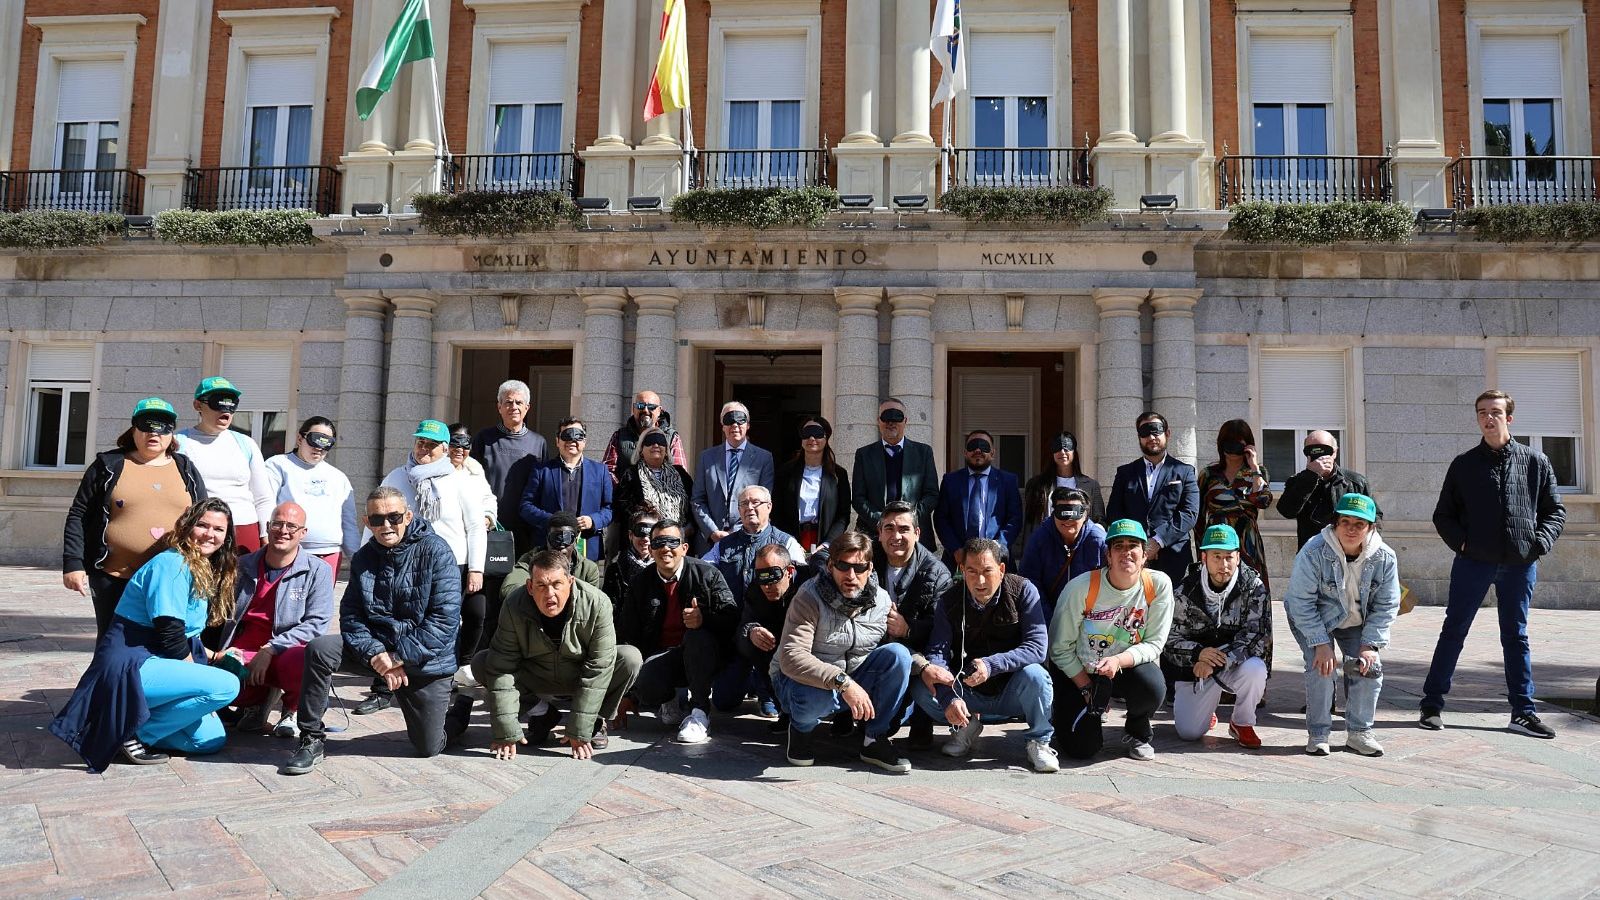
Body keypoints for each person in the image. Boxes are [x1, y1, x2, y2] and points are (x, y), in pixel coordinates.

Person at [282, 487, 462, 775]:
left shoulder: (436, 551)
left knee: (429, 747)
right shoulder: (365, 557)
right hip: (379, 653)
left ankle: (459, 713)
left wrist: (399, 656)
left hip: (426, 661)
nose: (386, 525)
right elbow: (351, 615)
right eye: (378, 519)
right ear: (367, 522)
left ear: (408, 516)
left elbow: (444, 621)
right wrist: (377, 653)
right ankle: (311, 737)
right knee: (319, 649)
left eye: (394, 517)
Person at [51, 499, 240, 771]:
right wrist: (199, 682)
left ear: (227, 536)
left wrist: (215, 656)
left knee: (209, 740)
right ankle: (133, 735)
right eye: (202, 525)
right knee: (226, 686)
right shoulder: (172, 563)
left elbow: (187, 635)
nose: (210, 534)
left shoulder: (201, 567)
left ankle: (118, 728)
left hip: (157, 661)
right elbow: (171, 634)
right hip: (131, 666)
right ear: (187, 526)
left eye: (219, 529)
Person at [1421, 390, 1567, 739]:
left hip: (1520, 563)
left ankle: (1523, 712)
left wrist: (1539, 542)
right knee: (1454, 630)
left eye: (1496, 412)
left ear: (1509, 418)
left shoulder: (1536, 461)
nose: (1489, 418)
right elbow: (1443, 515)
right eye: (1482, 412)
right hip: (1473, 562)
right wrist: (1463, 543)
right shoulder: (1464, 464)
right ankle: (1431, 705)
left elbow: (1555, 511)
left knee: (1515, 636)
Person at [470, 550, 642, 760]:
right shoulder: (514, 604)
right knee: (483, 662)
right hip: (536, 675)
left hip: (579, 674)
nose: (549, 593)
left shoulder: (597, 603)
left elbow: (598, 667)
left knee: (629, 658)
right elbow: (502, 666)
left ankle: (595, 720)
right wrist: (505, 730)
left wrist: (580, 730)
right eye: (541, 585)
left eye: (556, 584)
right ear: (530, 587)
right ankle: (541, 713)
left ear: (570, 582)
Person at [362, 420, 485, 715]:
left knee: (443, 625)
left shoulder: (461, 480)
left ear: (445, 449)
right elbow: (376, 514)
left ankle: (437, 683)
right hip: (400, 563)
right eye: (420, 442)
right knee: (390, 622)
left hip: (448, 564)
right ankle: (381, 689)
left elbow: (475, 527)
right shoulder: (396, 476)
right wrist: (365, 554)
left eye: (431, 445)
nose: (423, 449)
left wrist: (476, 568)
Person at [63, 397, 207, 638]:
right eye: (146, 425)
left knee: (168, 642)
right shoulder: (107, 466)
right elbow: (78, 514)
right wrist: (73, 564)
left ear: (172, 433)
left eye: (163, 426)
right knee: (113, 645)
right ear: (133, 429)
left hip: (171, 579)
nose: (154, 432)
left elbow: (203, 517)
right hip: (114, 577)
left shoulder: (186, 468)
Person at [911, 539, 1058, 773]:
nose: (979, 581)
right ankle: (964, 726)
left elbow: (1037, 647)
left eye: (987, 571)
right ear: (962, 570)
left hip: (1013, 690)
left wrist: (991, 665)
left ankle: (1039, 741)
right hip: (968, 690)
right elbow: (937, 651)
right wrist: (948, 696)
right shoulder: (949, 600)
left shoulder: (1022, 590)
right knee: (922, 683)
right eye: (972, 571)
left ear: (1001, 569)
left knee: (1037, 676)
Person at [773, 530, 913, 773]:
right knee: (814, 695)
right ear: (830, 565)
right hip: (803, 682)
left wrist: (926, 667)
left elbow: (891, 658)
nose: (851, 575)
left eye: (859, 568)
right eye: (843, 566)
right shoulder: (809, 596)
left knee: (899, 655)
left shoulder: (881, 600)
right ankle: (800, 729)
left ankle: (874, 738)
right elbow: (792, 658)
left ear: (870, 568)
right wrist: (843, 683)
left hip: (852, 678)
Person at [1283, 493, 1398, 757]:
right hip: (1313, 618)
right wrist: (1321, 644)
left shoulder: (1385, 558)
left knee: (1368, 666)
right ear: (1335, 523)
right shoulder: (1313, 552)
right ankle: (1319, 734)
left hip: (1356, 620)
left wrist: (1370, 645)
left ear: (1371, 527)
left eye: (1360, 524)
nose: (1351, 529)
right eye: (1345, 521)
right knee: (1322, 667)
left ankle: (1359, 733)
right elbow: (1301, 602)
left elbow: (1386, 605)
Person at [1048, 519, 1173, 761]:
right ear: (1108, 555)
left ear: (1144, 555)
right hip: (1078, 670)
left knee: (1152, 686)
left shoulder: (1157, 585)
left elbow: (1155, 644)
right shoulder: (1081, 588)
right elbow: (1059, 648)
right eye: (1118, 546)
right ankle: (1070, 716)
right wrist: (1086, 687)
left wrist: (1118, 660)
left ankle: (1138, 731)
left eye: (1133, 546)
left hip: (1122, 668)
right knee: (1082, 749)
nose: (1126, 552)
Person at [217, 501, 335, 739]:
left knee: (306, 661)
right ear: (268, 526)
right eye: (278, 524)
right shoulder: (244, 565)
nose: (283, 531)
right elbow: (224, 612)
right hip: (247, 648)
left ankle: (292, 709)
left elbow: (317, 623)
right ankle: (256, 702)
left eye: (292, 526)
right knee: (221, 676)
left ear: (303, 533)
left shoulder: (318, 570)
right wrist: (226, 651)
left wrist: (271, 648)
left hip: (288, 649)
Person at [615, 521, 738, 745]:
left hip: (706, 655)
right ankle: (669, 698)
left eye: (672, 542)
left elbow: (732, 619)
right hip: (664, 656)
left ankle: (700, 712)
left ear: (684, 548)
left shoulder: (707, 574)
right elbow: (628, 633)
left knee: (696, 635)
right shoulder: (640, 583)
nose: (666, 549)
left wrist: (704, 619)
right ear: (651, 549)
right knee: (645, 686)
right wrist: (629, 692)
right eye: (659, 543)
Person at [1164, 525, 1271, 748]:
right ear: (1204, 557)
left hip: (1232, 664)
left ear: (1238, 558)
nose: (1223, 565)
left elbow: (1257, 637)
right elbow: (1170, 640)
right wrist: (1197, 654)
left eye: (1229, 557)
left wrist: (1217, 660)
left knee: (1256, 669)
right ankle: (1206, 711)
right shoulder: (1185, 591)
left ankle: (1241, 722)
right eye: (1216, 556)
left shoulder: (1254, 587)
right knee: (1189, 732)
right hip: (1196, 669)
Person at [871, 500, 952, 749]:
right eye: (889, 529)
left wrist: (908, 629)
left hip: (918, 652)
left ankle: (922, 718)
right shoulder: (866, 559)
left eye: (904, 529)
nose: (896, 536)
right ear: (879, 532)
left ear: (917, 533)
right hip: (872, 644)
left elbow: (941, 631)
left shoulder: (937, 573)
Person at [175, 377, 274, 552]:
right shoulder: (179, 442)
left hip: (244, 529)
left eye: (232, 405)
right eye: (218, 403)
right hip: (200, 531)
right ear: (198, 405)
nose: (226, 410)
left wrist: (266, 536)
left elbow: (263, 497)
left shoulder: (246, 443)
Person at [1106, 411, 1200, 586]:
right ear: (1139, 437)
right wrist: (1138, 543)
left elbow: (1189, 513)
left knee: (1173, 610)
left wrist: (1158, 541)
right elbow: (1114, 512)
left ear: (1167, 433)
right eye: (1145, 433)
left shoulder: (1184, 472)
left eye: (1156, 431)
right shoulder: (1125, 473)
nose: (1151, 437)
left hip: (1174, 557)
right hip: (1132, 558)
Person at [263, 416, 358, 572]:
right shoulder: (277, 465)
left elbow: (348, 522)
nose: (319, 447)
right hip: (288, 552)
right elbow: (265, 507)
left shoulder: (338, 477)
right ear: (300, 438)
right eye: (315, 440)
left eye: (327, 443)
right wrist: (266, 545)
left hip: (330, 554)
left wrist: (357, 559)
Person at [1195, 419, 1275, 593]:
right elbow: (1199, 518)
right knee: (1216, 591)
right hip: (1216, 540)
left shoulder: (1258, 472)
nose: (1232, 449)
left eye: (1237, 444)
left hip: (1247, 541)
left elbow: (1263, 501)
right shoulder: (1208, 474)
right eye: (1227, 443)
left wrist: (1254, 467)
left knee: (1251, 592)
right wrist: (1201, 552)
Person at [736, 543, 810, 725]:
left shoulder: (812, 582)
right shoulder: (756, 590)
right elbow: (744, 624)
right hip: (775, 648)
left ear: (789, 571)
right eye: (761, 577)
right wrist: (752, 631)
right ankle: (779, 703)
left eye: (773, 576)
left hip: (812, 645)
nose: (767, 585)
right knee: (755, 641)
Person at [471, 379, 548, 553]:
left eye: (519, 402)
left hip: (526, 525)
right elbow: (471, 480)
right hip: (491, 522)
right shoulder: (484, 438)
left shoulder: (538, 442)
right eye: (508, 402)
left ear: (527, 407)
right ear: (499, 407)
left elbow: (543, 486)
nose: (514, 406)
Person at [522, 418, 614, 562]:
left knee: (584, 584)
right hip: (548, 548)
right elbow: (526, 506)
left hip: (585, 547)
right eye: (566, 435)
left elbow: (610, 508)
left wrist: (593, 520)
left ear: (584, 441)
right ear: (557, 441)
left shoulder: (600, 471)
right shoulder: (541, 471)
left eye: (578, 436)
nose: (572, 440)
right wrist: (551, 521)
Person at [852, 398, 940, 548]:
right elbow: (858, 498)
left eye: (897, 417)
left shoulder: (923, 452)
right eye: (886, 417)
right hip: (873, 535)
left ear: (905, 421)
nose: (891, 422)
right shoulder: (864, 454)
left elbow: (931, 494)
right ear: (878, 421)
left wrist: (908, 520)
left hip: (913, 535)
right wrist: (882, 521)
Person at [690, 401, 775, 553]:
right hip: (709, 542)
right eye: (729, 420)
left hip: (747, 539)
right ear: (722, 425)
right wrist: (713, 532)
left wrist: (737, 532)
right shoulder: (706, 457)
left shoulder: (764, 458)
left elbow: (764, 501)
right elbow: (698, 499)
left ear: (748, 425)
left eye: (740, 420)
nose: (735, 425)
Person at [933, 430, 1022, 567]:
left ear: (992, 453)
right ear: (965, 452)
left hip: (996, 559)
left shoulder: (1007, 481)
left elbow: (1014, 518)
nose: (978, 450)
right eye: (973, 446)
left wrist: (999, 547)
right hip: (957, 560)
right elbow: (941, 518)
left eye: (984, 446)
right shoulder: (951, 481)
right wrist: (955, 549)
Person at [449, 422, 500, 657]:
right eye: (454, 442)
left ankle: (465, 662)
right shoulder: (436, 472)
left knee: (476, 613)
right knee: (447, 615)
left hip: (473, 555)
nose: (459, 448)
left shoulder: (474, 470)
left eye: (465, 443)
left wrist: (488, 517)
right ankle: (444, 665)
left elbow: (488, 498)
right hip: (447, 556)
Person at [1018, 488, 1108, 618]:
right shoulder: (1040, 539)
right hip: (1049, 615)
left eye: (1075, 513)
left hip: (1090, 618)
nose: (1068, 520)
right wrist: (1049, 621)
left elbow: (1110, 584)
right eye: (1062, 512)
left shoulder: (1099, 541)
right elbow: (1029, 581)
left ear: (1085, 515)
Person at [706, 485, 807, 598]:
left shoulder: (787, 542)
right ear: (739, 510)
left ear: (769, 507)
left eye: (755, 502)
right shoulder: (723, 545)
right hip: (731, 613)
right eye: (744, 503)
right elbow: (703, 570)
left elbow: (802, 582)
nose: (749, 507)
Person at [1276, 430, 1372, 549]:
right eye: (1314, 452)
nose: (1320, 458)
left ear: (1335, 452)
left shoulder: (1356, 482)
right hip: (1311, 555)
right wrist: (1310, 476)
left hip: (1347, 555)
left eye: (1325, 452)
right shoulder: (1297, 481)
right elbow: (1286, 511)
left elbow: (1374, 517)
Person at [771, 416, 852, 555]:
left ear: (826, 438)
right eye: (807, 433)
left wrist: (828, 543)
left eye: (818, 433)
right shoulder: (785, 472)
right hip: (790, 541)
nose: (812, 438)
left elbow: (843, 515)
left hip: (825, 543)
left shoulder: (838, 474)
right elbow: (777, 511)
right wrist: (789, 541)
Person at [1021, 431, 1106, 556]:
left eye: (1067, 448)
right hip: (1045, 547)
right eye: (1057, 448)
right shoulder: (1036, 484)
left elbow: (1100, 520)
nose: (1062, 452)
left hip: (1081, 549)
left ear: (1074, 452)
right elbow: (1029, 523)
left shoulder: (1090, 485)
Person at [502, 511, 603, 596]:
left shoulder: (588, 569)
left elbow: (591, 601)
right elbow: (509, 589)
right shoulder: (529, 561)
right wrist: (540, 589)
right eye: (556, 538)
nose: (561, 545)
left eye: (567, 538)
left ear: (575, 541)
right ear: (547, 539)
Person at [614, 427, 694, 534]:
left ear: (666, 450)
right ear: (641, 450)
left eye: (660, 441)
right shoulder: (631, 475)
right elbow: (622, 508)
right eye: (650, 441)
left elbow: (694, 503)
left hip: (679, 538)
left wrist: (685, 529)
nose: (655, 445)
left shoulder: (681, 474)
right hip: (644, 540)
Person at [603, 389, 687, 483]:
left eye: (651, 407)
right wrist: (623, 490)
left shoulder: (672, 438)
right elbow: (607, 472)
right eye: (640, 406)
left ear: (659, 411)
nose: (645, 410)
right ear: (633, 409)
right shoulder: (619, 436)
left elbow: (679, 474)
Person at [603, 508, 660, 610]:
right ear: (631, 535)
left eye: (650, 534)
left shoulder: (665, 568)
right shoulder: (615, 570)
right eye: (640, 533)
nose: (646, 539)